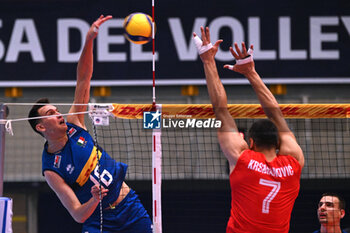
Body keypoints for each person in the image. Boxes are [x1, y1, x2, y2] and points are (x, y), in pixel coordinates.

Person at [28, 15, 152, 233]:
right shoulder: (51, 169)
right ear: (41, 127)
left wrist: (89, 40)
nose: (59, 114)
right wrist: (94, 199)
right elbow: (77, 213)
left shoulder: (75, 123)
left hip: (130, 208)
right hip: (98, 219)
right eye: (51, 113)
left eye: (57, 110)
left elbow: (84, 78)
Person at [193, 26, 305, 233]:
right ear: (278, 142)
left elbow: (221, 111)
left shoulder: (242, 159)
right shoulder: (294, 162)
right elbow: (276, 116)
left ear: (251, 142)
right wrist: (251, 72)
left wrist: (208, 61)